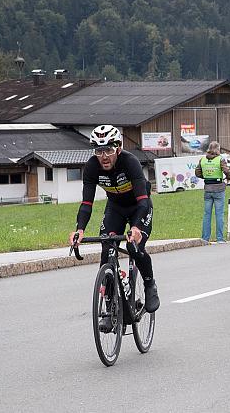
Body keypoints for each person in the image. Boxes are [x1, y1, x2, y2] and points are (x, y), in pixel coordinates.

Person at [69, 125, 159, 332]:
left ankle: (149, 284)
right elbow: (86, 204)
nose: (104, 156)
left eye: (108, 150)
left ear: (118, 148)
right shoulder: (92, 167)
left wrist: (136, 227)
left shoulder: (130, 162)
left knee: (135, 248)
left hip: (139, 207)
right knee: (106, 251)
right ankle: (110, 310)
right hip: (115, 208)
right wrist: (79, 230)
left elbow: (144, 201)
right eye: (99, 151)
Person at [196, 141, 230, 243]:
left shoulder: (202, 159)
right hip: (219, 188)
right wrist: (227, 179)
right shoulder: (220, 159)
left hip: (207, 188)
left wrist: (206, 177)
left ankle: (205, 238)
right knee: (219, 214)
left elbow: (197, 172)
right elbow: (227, 171)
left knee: (207, 214)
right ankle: (219, 238)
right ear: (218, 149)